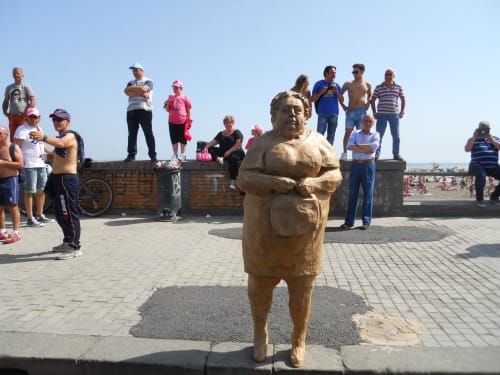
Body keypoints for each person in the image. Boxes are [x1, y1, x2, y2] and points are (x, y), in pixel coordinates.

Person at [236, 90, 342, 367]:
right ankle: (260, 335)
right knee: (260, 287)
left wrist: (315, 184)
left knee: (302, 289)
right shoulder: (263, 143)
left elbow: (335, 174)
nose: (292, 115)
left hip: (305, 234)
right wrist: (272, 182)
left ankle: (299, 339)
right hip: (264, 233)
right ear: (274, 116)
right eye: (285, 110)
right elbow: (244, 178)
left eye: (297, 110)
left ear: (307, 114)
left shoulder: (318, 141)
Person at [29, 109, 84, 260]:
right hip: (57, 178)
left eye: (60, 120)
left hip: (67, 179)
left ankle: (75, 246)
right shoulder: (60, 137)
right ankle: (67, 241)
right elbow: (59, 154)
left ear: (68, 121)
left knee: (69, 213)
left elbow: (62, 143)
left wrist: (44, 137)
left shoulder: (70, 135)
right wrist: (48, 154)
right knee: (60, 214)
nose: (56, 122)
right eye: (54, 120)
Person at [14, 108, 54, 227]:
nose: (33, 119)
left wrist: (52, 153)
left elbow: (42, 144)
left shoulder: (39, 129)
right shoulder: (22, 130)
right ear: (27, 118)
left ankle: (40, 214)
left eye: (36, 117)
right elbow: (16, 147)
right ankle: (30, 218)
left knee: (42, 190)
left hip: (41, 163)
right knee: (30, 191)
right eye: (31, 117)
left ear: (39, 118)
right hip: (29, 165)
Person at [340, 114, 380, 230]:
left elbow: (373, 148)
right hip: (356, 164)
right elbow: (348, 146)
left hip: (368, 165)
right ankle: (349, 222)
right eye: (365, 120)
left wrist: (357, 146)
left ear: (372, 123)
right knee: (353, 194)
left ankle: (366, 221)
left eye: (369, 121)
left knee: (368, 194)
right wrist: (364, 148)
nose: (367, 123)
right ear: (362, 122)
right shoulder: (355, 133)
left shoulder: (375, 134)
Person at [123, 63, 157, 162]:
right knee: (132, 134)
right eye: (133, 70)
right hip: (131, 110)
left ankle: (152, 155)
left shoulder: (148, 81)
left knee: (148, 133)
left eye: (136, 70)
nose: (134, 72)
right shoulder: (130, 82)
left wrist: (136, 90)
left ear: (142, 70)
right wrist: (141, 92)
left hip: (145, 109)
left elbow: (144, 88)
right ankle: (131, 155)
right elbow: (126, 91)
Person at [371, 67, 405, 160]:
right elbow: (372, 100)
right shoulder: (379, 87)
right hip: (381, 114)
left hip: (394, 114)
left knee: (396, 136)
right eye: (386, 74)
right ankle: (376, 154)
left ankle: (396, 154)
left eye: (390, 74)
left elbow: (403, 99)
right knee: (379, 135)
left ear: (394, 76)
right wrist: (374, 112)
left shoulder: (398, 87)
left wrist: (402, 111)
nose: (388, 76)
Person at [203, 115, 245, 190]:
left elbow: (238, 144)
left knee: (233, 159)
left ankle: (232, 181)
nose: (228, 124)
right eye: (226, 123)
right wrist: (206, 146)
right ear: (224, 124)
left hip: (235, 151)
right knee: (210, 149)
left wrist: (229, 151)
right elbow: (213, 142)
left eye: (230, 122)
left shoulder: (237, 132)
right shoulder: (221, 133)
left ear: (233, 123)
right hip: (223, 151)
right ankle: (218, 159)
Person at [340, 64, 372, 161]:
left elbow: (370, 96)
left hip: (361, 111)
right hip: (351, 111)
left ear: (362, 72)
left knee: (361, 134)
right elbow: (339, 95)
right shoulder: (348, 84)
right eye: (353, 72)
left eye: (356, 72)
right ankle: (345, 153)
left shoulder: (367, 84)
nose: (354, 74)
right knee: (348, 133)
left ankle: (359, 154)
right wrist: (343, 106)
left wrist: (368, 104)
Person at [464, 121, 500, 207]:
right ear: (478, 129)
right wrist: (473, 137)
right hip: (477, 164)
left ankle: (494, 197)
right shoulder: (472, 139)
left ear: (489, 129)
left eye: (486, 129)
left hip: (493, 166)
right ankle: (480, 199)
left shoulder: (494, 138)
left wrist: (492, 140)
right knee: (481, 176)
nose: (484, 131)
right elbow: (467, 149)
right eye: (482, 129)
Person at [0, 125, 23, 243]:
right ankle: (3, 232)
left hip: (10, 179)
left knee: (13, 206)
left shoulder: (13, 147)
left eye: (0, 133)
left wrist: (3, 163)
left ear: (6, 135)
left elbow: (20, 164)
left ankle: (16, 232)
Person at [311, 65, 344, 145]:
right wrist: (321, 93)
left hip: (334, 113)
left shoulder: (337, 85)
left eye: (335, 73)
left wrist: (337, 91)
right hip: (322, 113)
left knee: (331, 135)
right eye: (332, 73)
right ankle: (318, 152)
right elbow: (312, 99)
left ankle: (329, 154)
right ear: (326, 73)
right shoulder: (319, 84)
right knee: (319, 134)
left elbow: (342, 100)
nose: (334, 75)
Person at [3, 67, 36, 142]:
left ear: (22, 75)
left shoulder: (26, 87)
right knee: (13, 138)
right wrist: (5, 112)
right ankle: (14, 152)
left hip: (23, 117)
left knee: (23, 136)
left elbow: (33, 101)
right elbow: (5, 101)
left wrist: (26, 113)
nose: (16, 75)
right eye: (14, 74)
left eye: (18, 73)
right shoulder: (9, 87)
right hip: (12, 117)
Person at [164, 80, 192, 165]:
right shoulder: (170, 98)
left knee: (183, 138)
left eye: (177, 87)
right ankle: (175, 155)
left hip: (182, 120)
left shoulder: (185, 98)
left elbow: (189, 110)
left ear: (181, 88)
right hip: (172, 121)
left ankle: (183, 155)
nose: (175, 89)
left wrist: (189, 120)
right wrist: (168, 104)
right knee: (174, 138)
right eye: (174, 87)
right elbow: (168, 110)